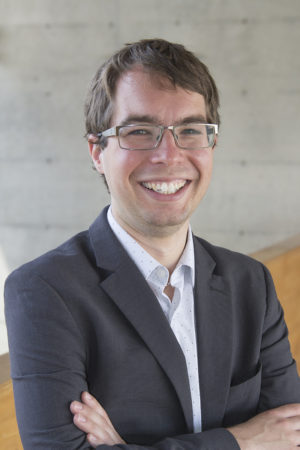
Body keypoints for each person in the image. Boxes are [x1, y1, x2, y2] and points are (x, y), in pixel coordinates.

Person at [4, 39, 300, 449]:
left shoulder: (251, 283)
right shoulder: (44, 290)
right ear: (97, 151)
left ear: (211, 143)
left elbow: (291, 436)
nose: (169, 154)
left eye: (191, 131)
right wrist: (243, 440)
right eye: (140, 131)